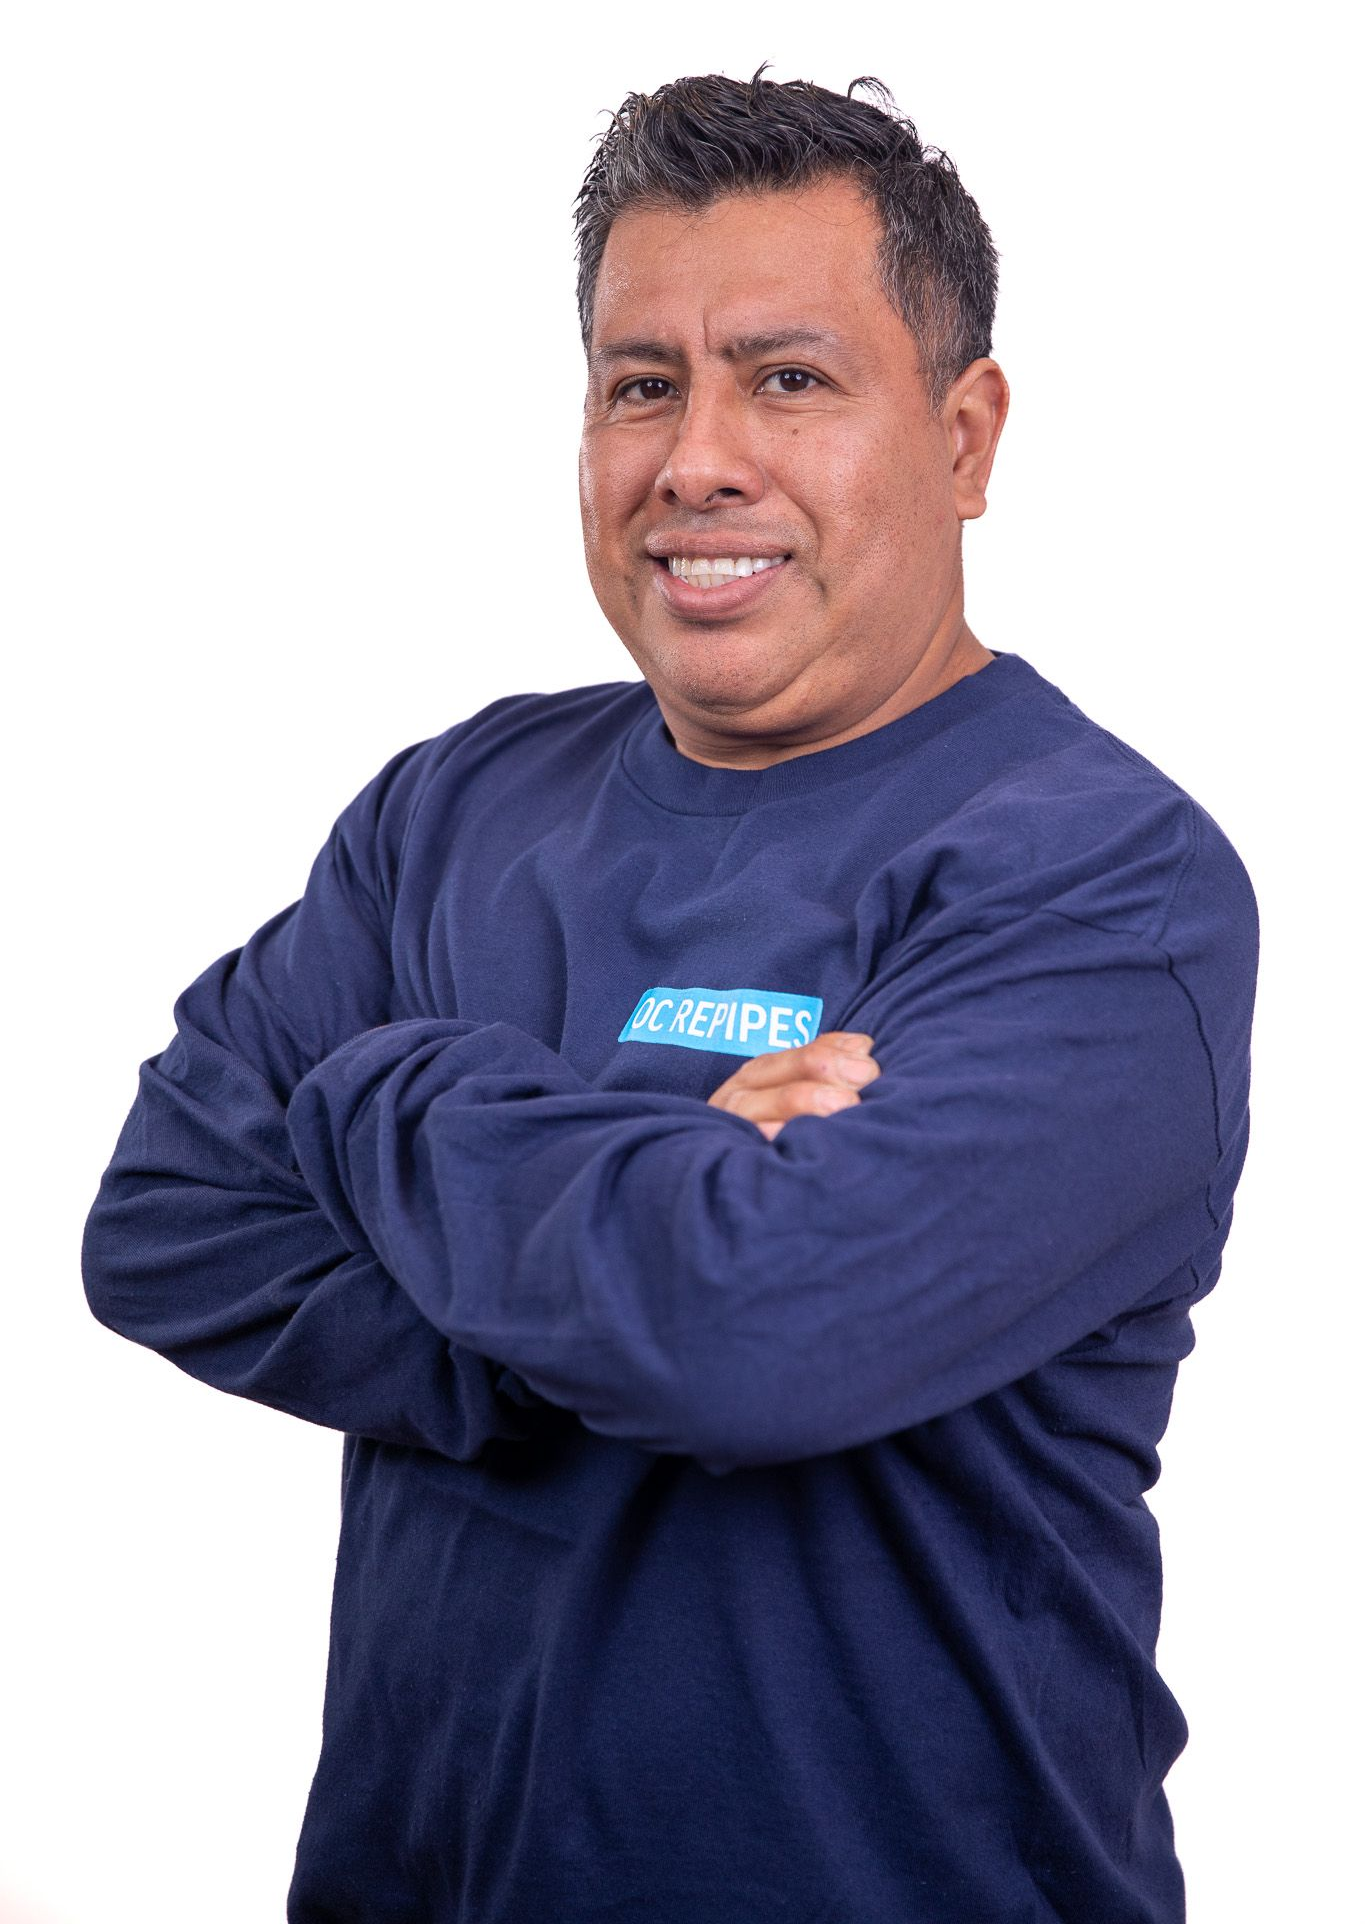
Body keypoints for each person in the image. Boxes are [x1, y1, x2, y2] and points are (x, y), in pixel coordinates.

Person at [81, 68, 1259, 1924]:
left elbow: (754, 1338)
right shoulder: (456, 806)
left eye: (787, 378)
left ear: (964, 438)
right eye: (642, 384)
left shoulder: (1101, 880)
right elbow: (162, 1223)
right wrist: (643, 1196)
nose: (697, 458)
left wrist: (381, 1090)